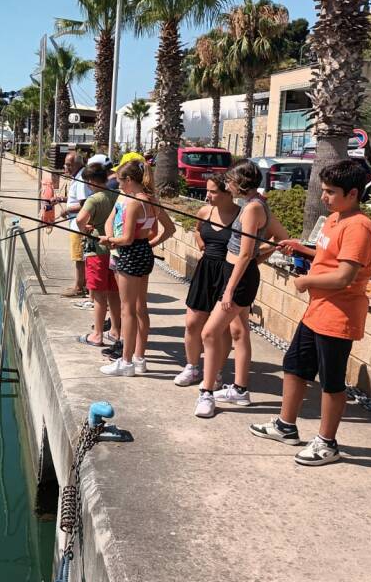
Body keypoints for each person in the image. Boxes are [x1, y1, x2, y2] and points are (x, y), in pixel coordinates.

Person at [251, 160, 371, 466]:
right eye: (324, 191)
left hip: (338, 315)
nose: (324, 197)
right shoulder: (335, 219)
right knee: (294, 365)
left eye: (331, 192)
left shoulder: (359, 226)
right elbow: (328, 257)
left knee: (331, 381)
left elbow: (344, 277)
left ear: (353, 194)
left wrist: (305, 280)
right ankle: (285, 425)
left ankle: (327, 443)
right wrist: (302, 249)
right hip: (316, 312)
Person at [195, 161, 271, 418]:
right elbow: (277, 240)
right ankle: (239, 389)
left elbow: (246, 251)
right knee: (238, 331)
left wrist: (229, 290)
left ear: (240, 182)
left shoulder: (251, 209)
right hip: (237, 275)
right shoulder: (256, 203)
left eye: (229, 181)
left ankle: (206, 392)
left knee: (209, 332)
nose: (226, 185)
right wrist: (260, 259)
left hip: (236, 279)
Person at [98, 159, 175, 376]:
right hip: (144, 254)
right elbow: (168, 230)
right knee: (141, 308)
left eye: (121, 181)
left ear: (130, 180)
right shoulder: (151, 200)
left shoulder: (132, 203)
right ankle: (140, 358)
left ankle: (126, 362)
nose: (119, 185)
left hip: (129, 255)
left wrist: (110, 240)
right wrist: (148, 245)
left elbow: (127, 238)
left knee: (127, 310)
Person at [174, 173, 239, 387]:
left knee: (221, 329)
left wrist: (254, 258)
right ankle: (192, 367)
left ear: (228, 192)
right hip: (205, 269)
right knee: (192, 323)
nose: (207, 196)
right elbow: (197, 230)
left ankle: (216, 372)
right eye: (207, 190)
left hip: (228, 271)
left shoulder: (242, 215)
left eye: (213, 191)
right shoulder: (205, 211)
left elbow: (272, 239)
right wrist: (200, 240)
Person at [75, 162, 120, 347]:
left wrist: (84, 229)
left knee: (99, 295)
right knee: (114, 293)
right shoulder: (118, 195)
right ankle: (116, 331)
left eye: (87, 182)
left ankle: (97, 334)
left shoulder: (94, 199)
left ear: (92, 181)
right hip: (115, 251)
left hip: (97, 251)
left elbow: (79, 219)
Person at [56, 152, 88, 297]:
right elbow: (77, 198)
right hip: (77, 223)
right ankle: (84, 284)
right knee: (80, 256)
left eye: (69, 164)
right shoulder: (79, 176)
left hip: (78, 224)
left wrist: (67, 211)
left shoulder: (81, 178)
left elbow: (85, 204)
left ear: (78, 164)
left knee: (78, 257)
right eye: (66, 164)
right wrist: (62, 199)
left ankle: (79, 287)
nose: (66, 167)